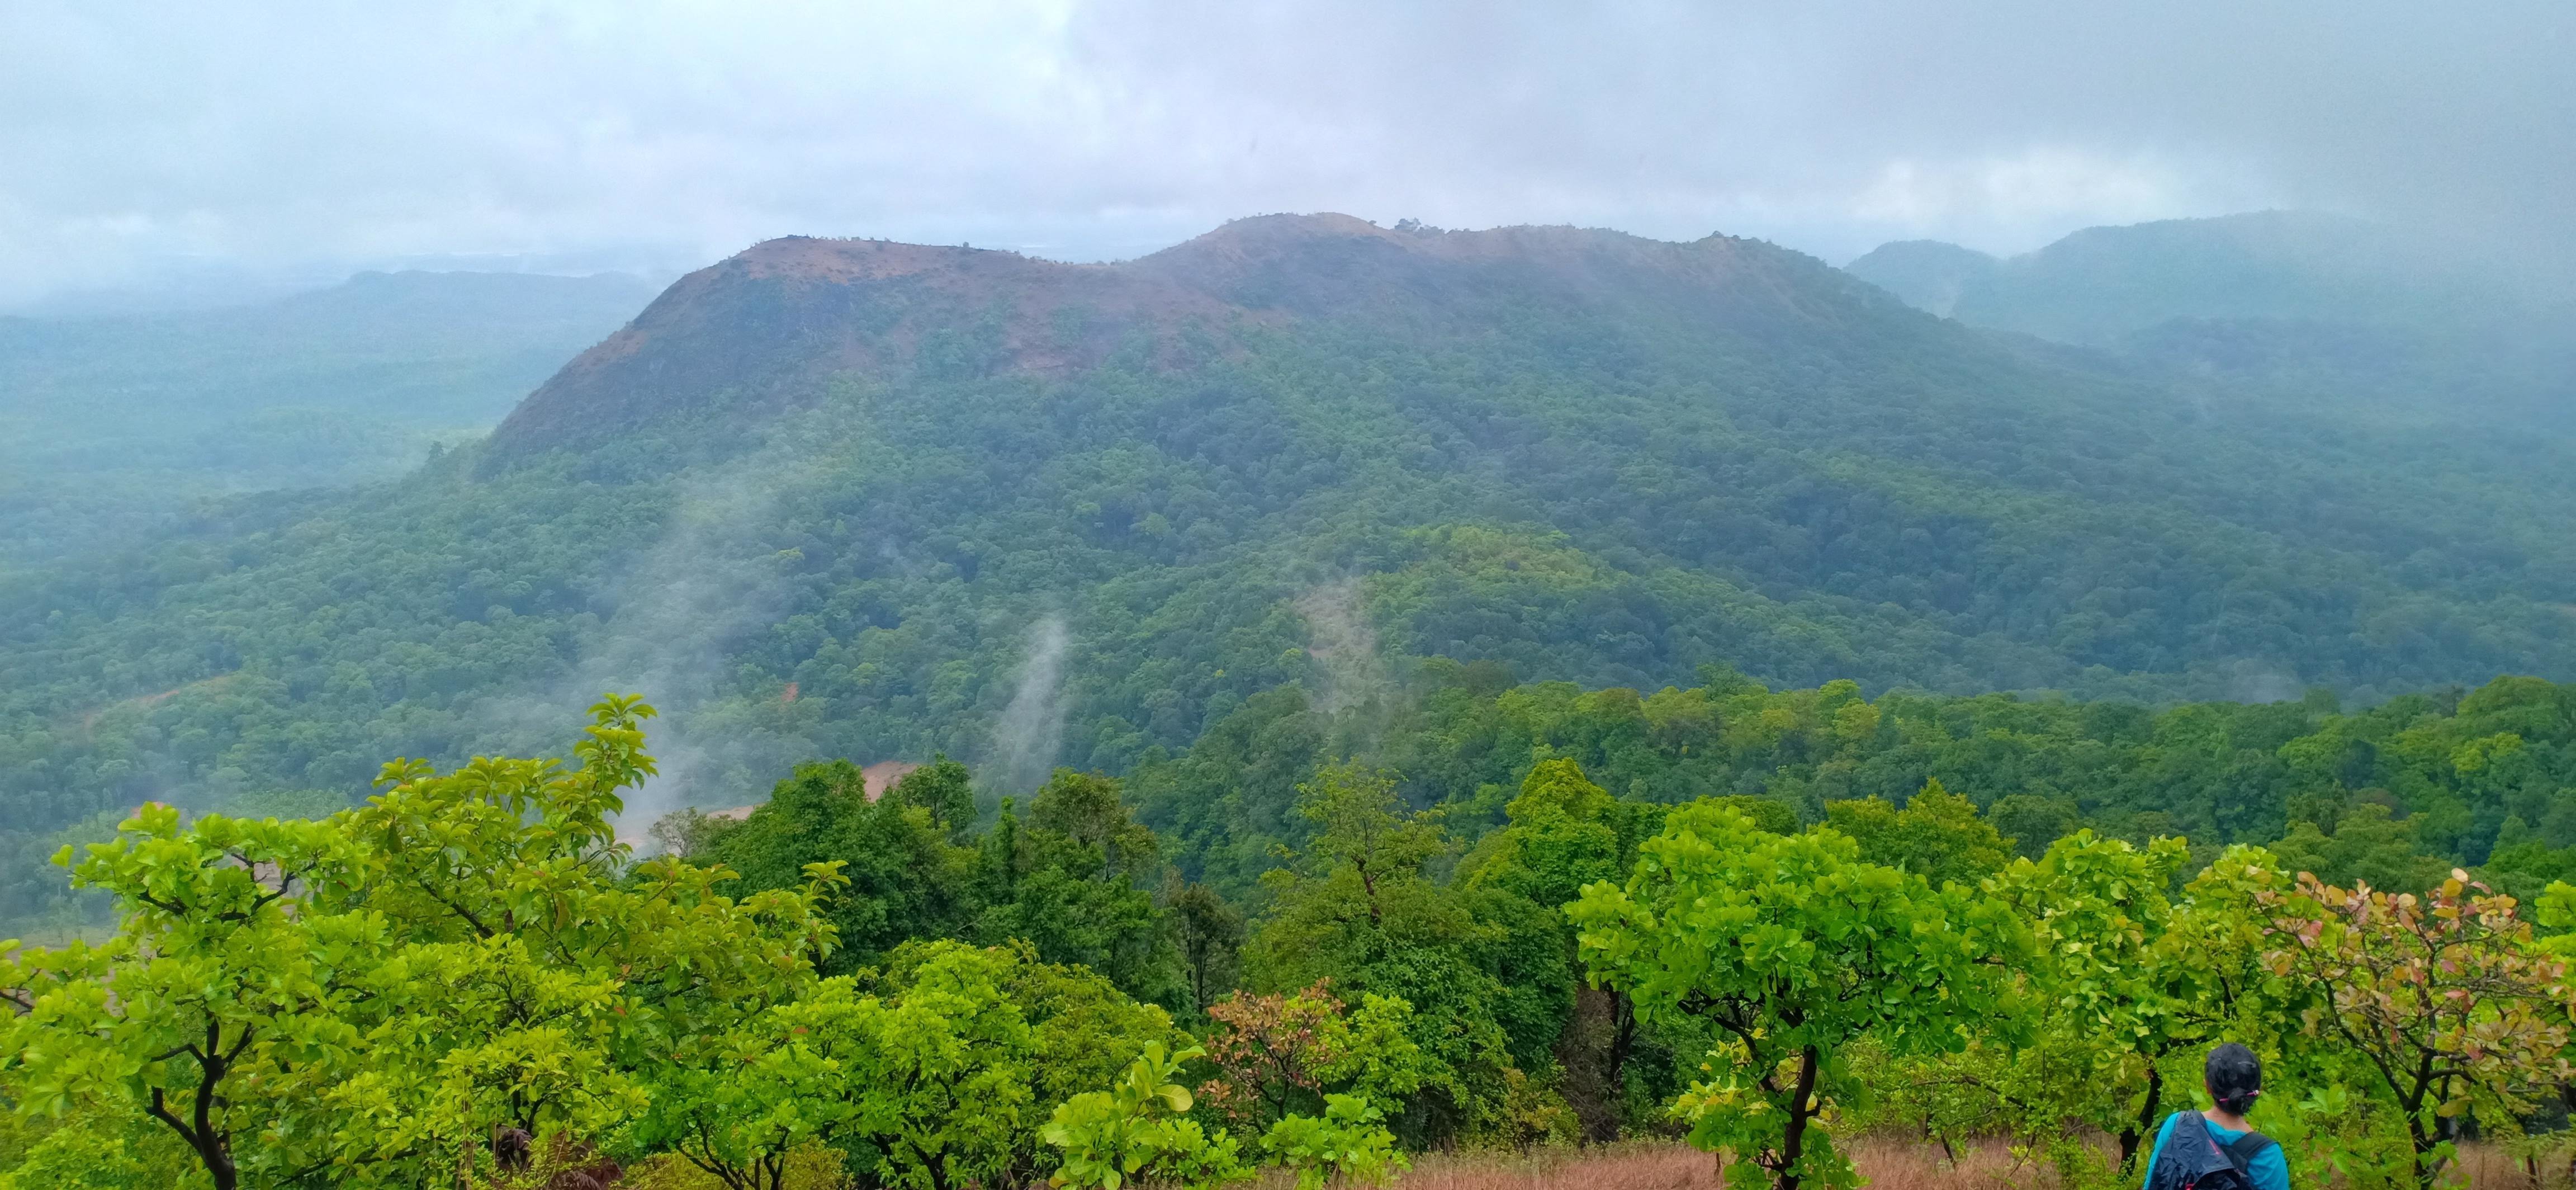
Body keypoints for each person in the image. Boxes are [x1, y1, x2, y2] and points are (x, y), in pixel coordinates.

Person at [2141, 1043, 2289, 1190]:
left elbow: (2154, 1184)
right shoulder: (2268, 1156)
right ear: (2258, 1092)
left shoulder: (2178, 1125)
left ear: (2208, 1087)